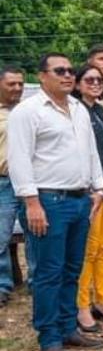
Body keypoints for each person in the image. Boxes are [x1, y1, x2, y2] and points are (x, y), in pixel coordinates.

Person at [8, 54, 103, 351]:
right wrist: (31, 201)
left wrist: (99, 187)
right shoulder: (28, 111)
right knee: (48, 272)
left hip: (80, 200)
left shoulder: (77, 108)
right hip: (47, 201)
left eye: (70, 70)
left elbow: (90, 150)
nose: (68, 75)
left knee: (71, 268)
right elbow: (19, 157)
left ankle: (68, 328)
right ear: (42, 76)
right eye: (60, 70)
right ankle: (49, 337)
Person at [70, 65, 103, 331]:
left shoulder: (100, 110)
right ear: (78, 84)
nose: (95, 83)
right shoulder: (75, 111)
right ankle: (82, 306)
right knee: (89, 250)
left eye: (99, 80)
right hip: (93, 190)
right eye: (89, 79)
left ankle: (102, 300)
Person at [0, 65, 25, 309]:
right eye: (11, 84)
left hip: (30, 182)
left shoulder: (28, 112)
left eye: (20, 84)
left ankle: (38, 281)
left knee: (37, 233)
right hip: (3, 182)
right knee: (0, 235)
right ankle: (2, 285)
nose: (17, 88)